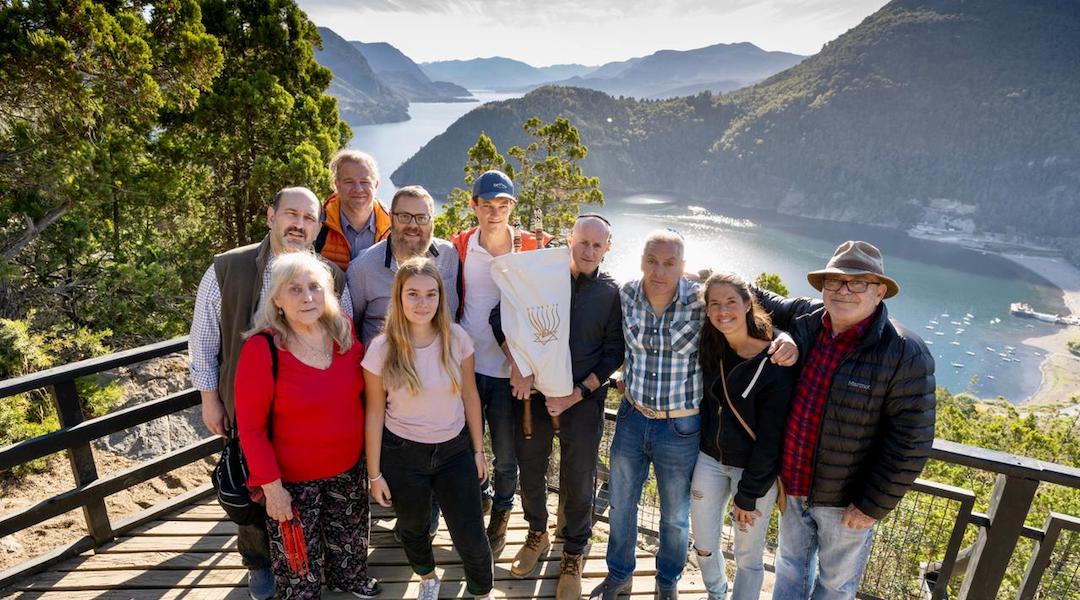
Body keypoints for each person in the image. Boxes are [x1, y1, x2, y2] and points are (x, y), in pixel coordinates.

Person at [592, 230, 797, 600]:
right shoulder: (625, 295)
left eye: (670, 263)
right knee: (622, 504)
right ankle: (619, 575)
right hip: (632, 417)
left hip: (681, 427)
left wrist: (785, 337)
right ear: (641, 260)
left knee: (674, 516)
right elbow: (615, 344)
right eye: (652, 261)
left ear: (682, 267)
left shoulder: (700, 303)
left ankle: (666, 582)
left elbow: (742, 317)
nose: (659, 271)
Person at [189, 186, 360, 600]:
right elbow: (204, 339)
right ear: (271, 216)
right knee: (257, 484)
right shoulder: (229, 268)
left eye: (309, 218)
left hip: (313, 415)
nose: (299, 224)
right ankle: (261, 564)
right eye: (291, 214)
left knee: (307, 501)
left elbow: (345, 337)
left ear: (319, 227)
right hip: (244, 404)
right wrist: (209, 398)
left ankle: (316, 564)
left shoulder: (330, 276)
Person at [759, 241, 936, 600]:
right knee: (789, 569)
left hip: (846, 502)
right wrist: (698, 277)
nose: (843, 290)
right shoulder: (806, 320)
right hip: (792, 485)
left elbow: (911, 442)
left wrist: (872, 504)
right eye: (834, 282)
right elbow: (756, 296)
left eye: (857, 283)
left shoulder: (904, 352)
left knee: (836, 586)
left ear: (880, 292)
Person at [490, 215, 624, 599]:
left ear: (607, 249)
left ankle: (573, 554)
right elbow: (498, 317)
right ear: (570, 239)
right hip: (532, 398)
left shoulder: (610, 294)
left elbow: (614, 353)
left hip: (581, 403)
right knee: (530, 470)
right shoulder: (540, 275)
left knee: (579, 478)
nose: (588, 251)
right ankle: (536, 534)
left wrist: (576, 393)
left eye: (597, 246)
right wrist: (517, 365)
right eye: (583, 242)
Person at [233, 251, 375, 599]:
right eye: (294, 289)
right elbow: (250, 429)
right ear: (277, 299)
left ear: (328, 292)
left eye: (315, 287)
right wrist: (272, 488)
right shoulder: (262, 348)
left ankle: (349, 579)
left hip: (347, 469)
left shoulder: (343, 333)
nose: (307, 297)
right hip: (292, 482)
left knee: (349, 546)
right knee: (300, 574)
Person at [362, 257, 494, 600]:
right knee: (413, 529)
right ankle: (428, 577)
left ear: (441, 297)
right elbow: (374, 413)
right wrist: (374, 474)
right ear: (398, 296)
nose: (423, 303)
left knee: (471, 534)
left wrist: (479, 451)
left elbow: (470, 397)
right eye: (413, 294)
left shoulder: (458, 340)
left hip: (454, 451)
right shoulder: (381, 349)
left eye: (431, 294)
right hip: (401, 454)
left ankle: (482, 592)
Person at [450, 170, 550, 556]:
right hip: (468, 369)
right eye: (487, 205)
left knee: (506, 455)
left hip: (512, 375)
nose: (495, 213)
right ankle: (482, 499)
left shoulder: (530, 248)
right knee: (466, 447)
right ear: (474, 205)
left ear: (513, 207)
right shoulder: (459, 247)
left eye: (503, 205)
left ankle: (502, 514)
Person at [690, 272, 795, 600]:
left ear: (749, 303)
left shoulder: (774, 361)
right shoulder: (712, 345)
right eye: (715, 304)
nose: (723, 311)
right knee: (704, 545)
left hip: (753, 473)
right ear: (706, 310)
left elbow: (771, 439)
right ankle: (717, 591)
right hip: (709, 458)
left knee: (748, 556)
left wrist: (748, 494)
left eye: (731, 302)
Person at [347, 185, 459, 346]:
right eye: (405, 216)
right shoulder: (363, 267)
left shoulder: (450, 256)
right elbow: (350, 328)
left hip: (440, 364)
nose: (413, 225)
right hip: (385, 367)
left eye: (422, 218)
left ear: (432, 220)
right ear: (391, 218)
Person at [317, 150, 392, 271]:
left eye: (364, 182)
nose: (358, 189)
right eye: (349, 182)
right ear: (337, 184)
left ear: (376, 185)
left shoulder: (393, 228)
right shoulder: (319, 223)